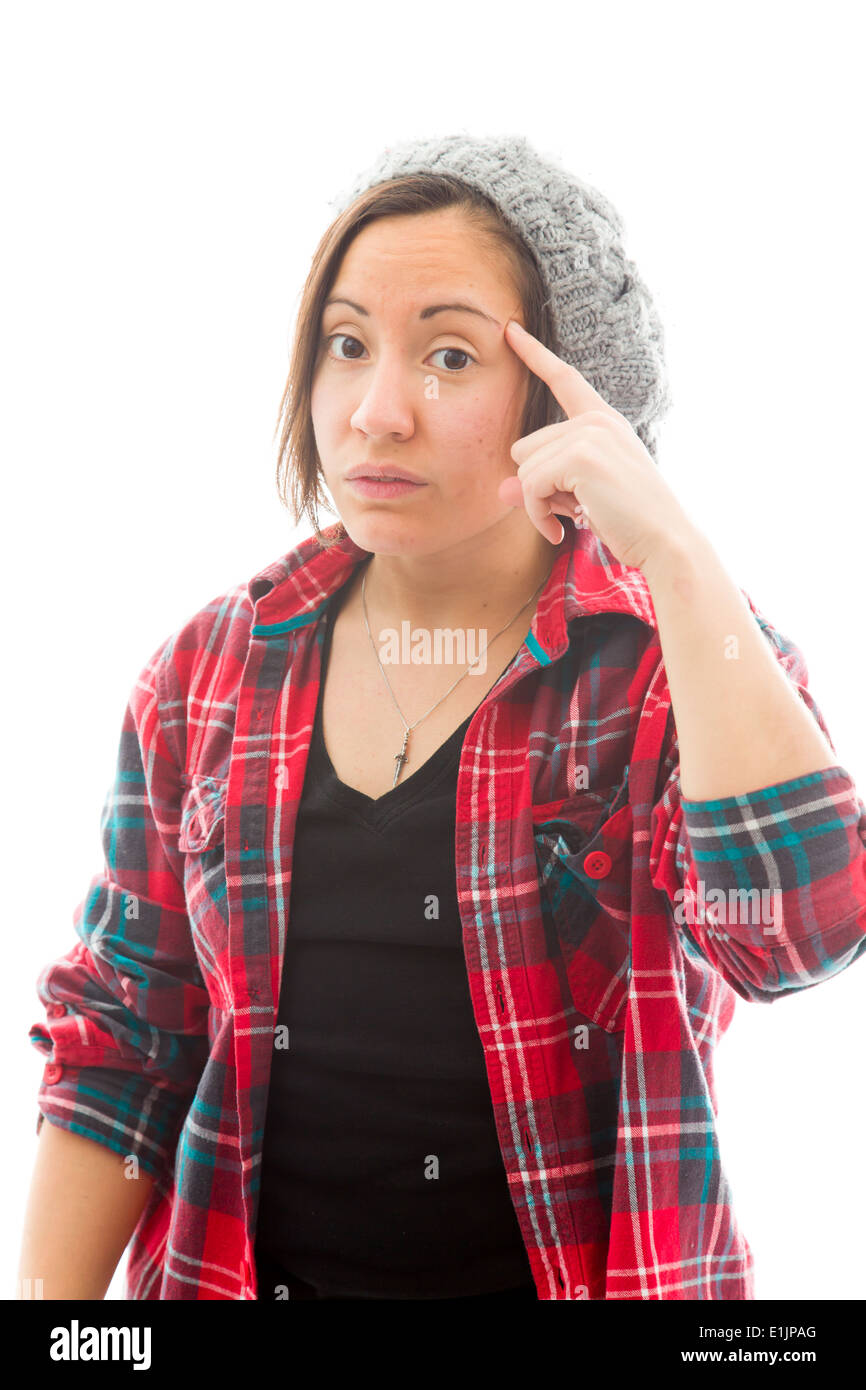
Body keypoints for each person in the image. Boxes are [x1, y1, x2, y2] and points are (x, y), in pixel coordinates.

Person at [18, 133, 866, 1301]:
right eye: (347, 343)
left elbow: (797, 936)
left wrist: (670, 549)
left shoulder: (677, 661)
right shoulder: (207, 669)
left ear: (573, 396)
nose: (375, 411)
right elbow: (125, 1039)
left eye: (450, 356)